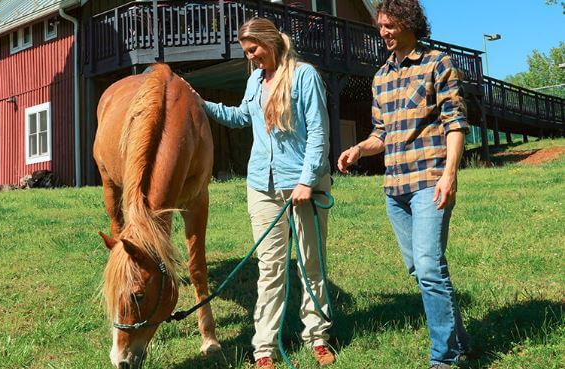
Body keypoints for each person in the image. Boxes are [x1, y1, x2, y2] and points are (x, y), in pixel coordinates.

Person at [192, 17, 335, 369]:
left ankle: (318, 337)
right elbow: (242, 116)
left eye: (253, 50)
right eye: (247, 52)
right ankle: (264, 348)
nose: (251, 57)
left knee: (310, 265)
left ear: (270, 42)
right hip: (262, 186)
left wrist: (306, 181)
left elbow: (319, 133)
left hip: (304, 187)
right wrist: (201, 104)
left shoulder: (305, 76)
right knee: (270, 268)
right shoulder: (255, 79)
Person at [337, 1, 470, 368]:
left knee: (429, 267)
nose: (383, 32)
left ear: (409, 23)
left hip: (430, 181)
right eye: (380, 26)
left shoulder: (437, 63)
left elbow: (454, 122)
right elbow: (382, 133)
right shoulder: (380, 77)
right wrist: (359, 150)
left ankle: (444, 358)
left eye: (389, 25)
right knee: (421, 269)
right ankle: (459, 339)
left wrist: (450, 174)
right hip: (395, 188)